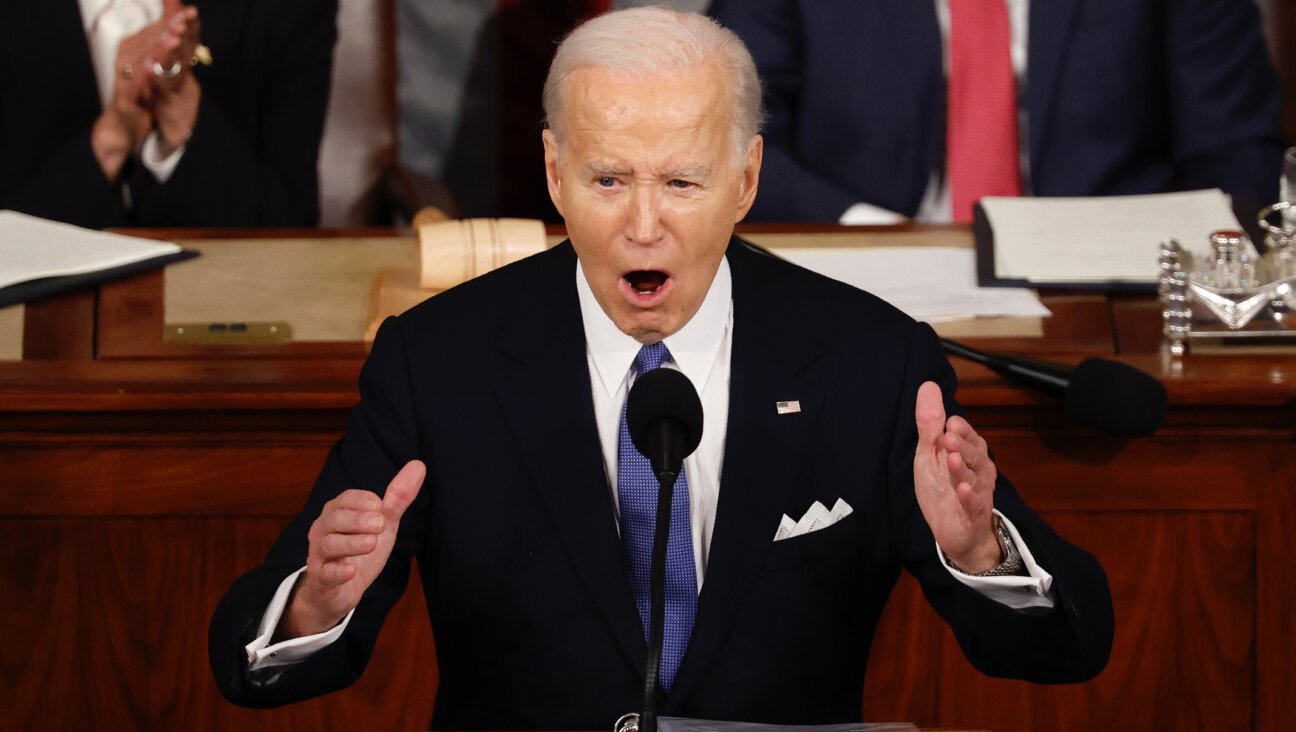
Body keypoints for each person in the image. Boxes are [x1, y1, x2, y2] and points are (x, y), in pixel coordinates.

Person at [209, 8, 1113, 729]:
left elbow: (1069, 647)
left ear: (747, 181)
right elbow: (251, 669)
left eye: (682, 183)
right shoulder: (437, 360)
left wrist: (979, 552)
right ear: (555, 175)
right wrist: (317, 601)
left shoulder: (870, 361)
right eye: (608, 181)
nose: (644, 226)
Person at [709, 0, 1288, 223]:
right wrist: (869, 231)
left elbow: (1234, 147)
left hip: (1107, 299)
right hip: (861, 277)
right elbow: (724, 138)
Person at [0, 0, 337, 229]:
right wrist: (110, 141)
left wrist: (182, 111)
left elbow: (289, 226)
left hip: (223, 308)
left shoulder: (289, 9)